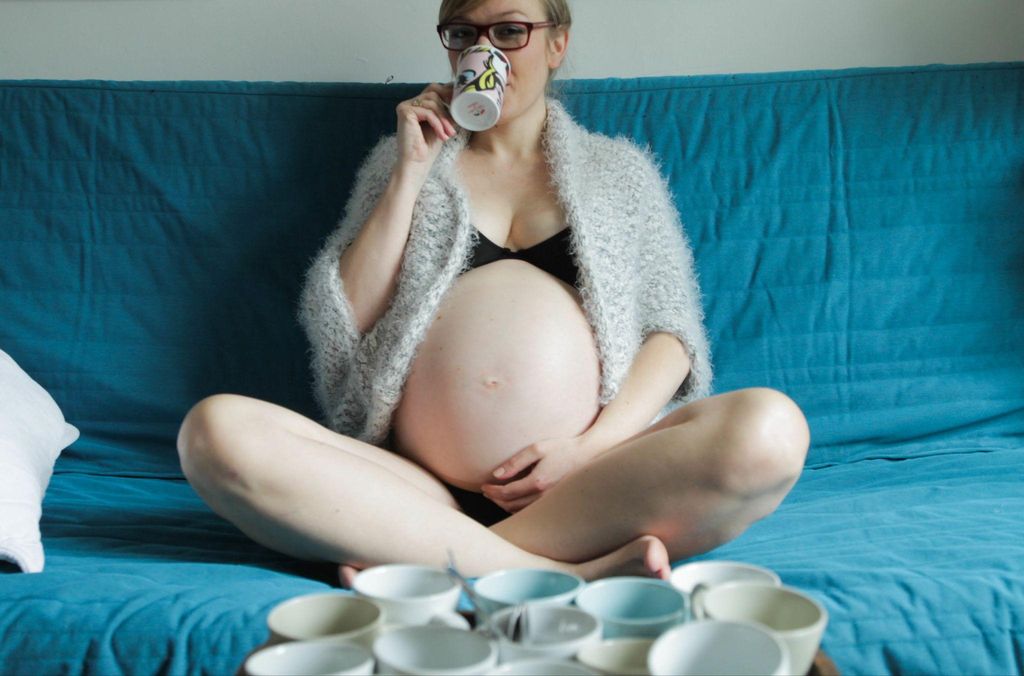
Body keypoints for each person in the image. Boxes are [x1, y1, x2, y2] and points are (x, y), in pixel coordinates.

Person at [176, 0, 810, 586]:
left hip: (588, 483)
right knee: (213, 432)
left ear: (557, 42)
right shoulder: (401, 162)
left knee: (771, 430)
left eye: (511, 31)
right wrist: (409, 174)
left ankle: (422, 552)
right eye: (465, 35)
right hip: (417, 485)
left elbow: (672, 336)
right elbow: (344, 323)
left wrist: (586, 450)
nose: (489, 53)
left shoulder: (618, 172)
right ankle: (559, 574)